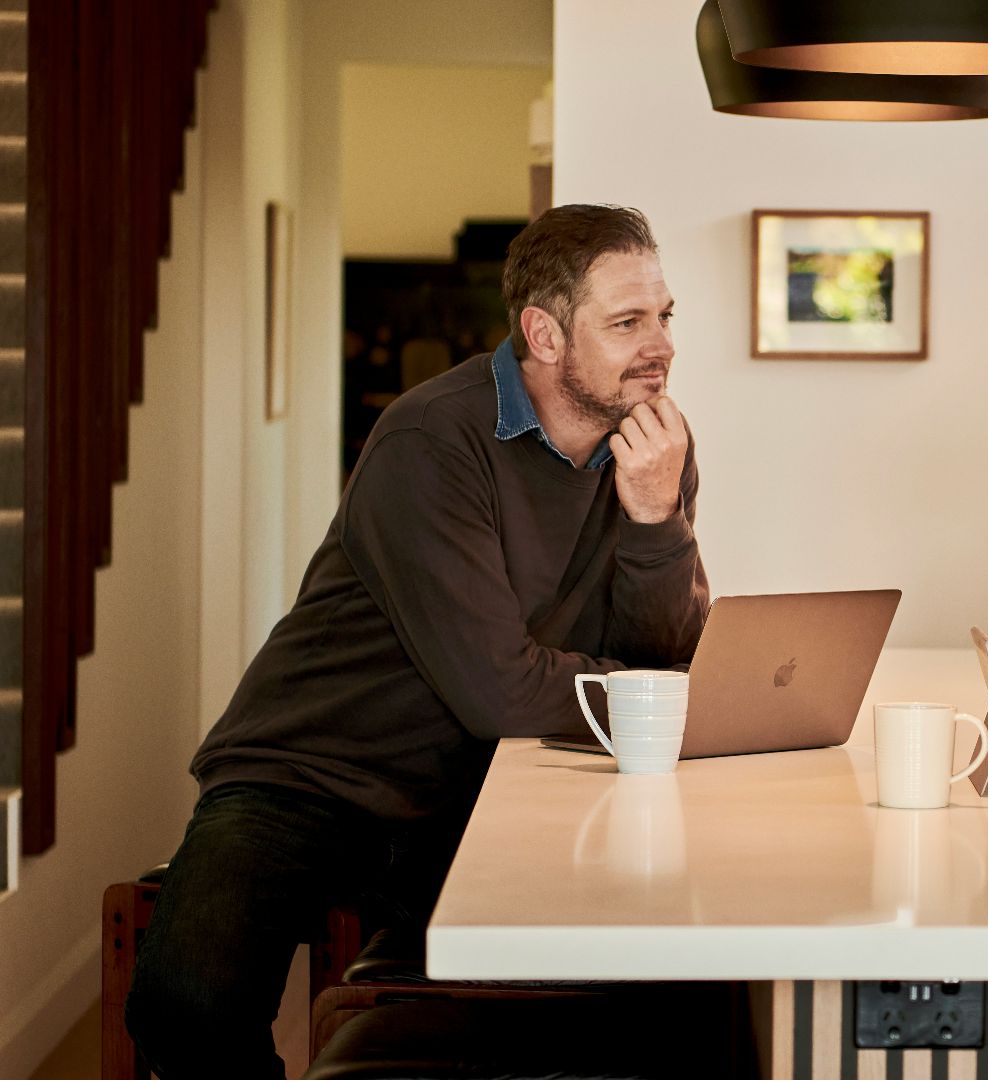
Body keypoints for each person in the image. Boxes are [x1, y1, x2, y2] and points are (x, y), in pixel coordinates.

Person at [126, 204, 709, 1077]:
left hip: (480, 790)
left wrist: (655, 516)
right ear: (543, 334)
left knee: (653, 982)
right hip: (312, 772)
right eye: (627, 323)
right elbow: (502, 692)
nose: (658, 344)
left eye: (663, 316)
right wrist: (645, 693)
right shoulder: (432, 440)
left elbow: (657, 658)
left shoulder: (653, 450)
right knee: (183, 1006)